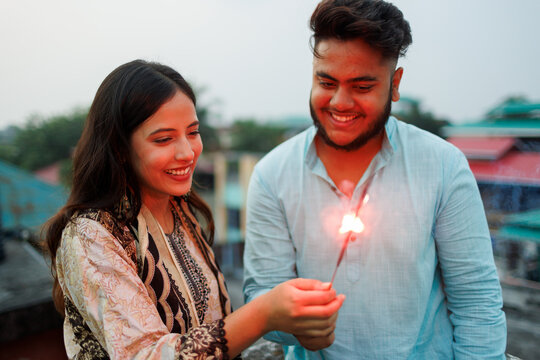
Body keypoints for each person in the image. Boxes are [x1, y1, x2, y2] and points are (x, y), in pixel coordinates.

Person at [243, 0, 507, 358]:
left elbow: (477, 300)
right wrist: (291, 322)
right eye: (326, 81)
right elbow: (261, 297)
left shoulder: (443, 165)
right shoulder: (272, 175)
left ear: (394, 85)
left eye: (362, 86)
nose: (340, 102)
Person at [44, 59, 345, 359]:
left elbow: (213, 328)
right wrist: (262, 314)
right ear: (120, 148)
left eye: (192, 132)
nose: (187, 153)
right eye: (164, 139)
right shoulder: (92, 234)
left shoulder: (180, 209)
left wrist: (296, 326)